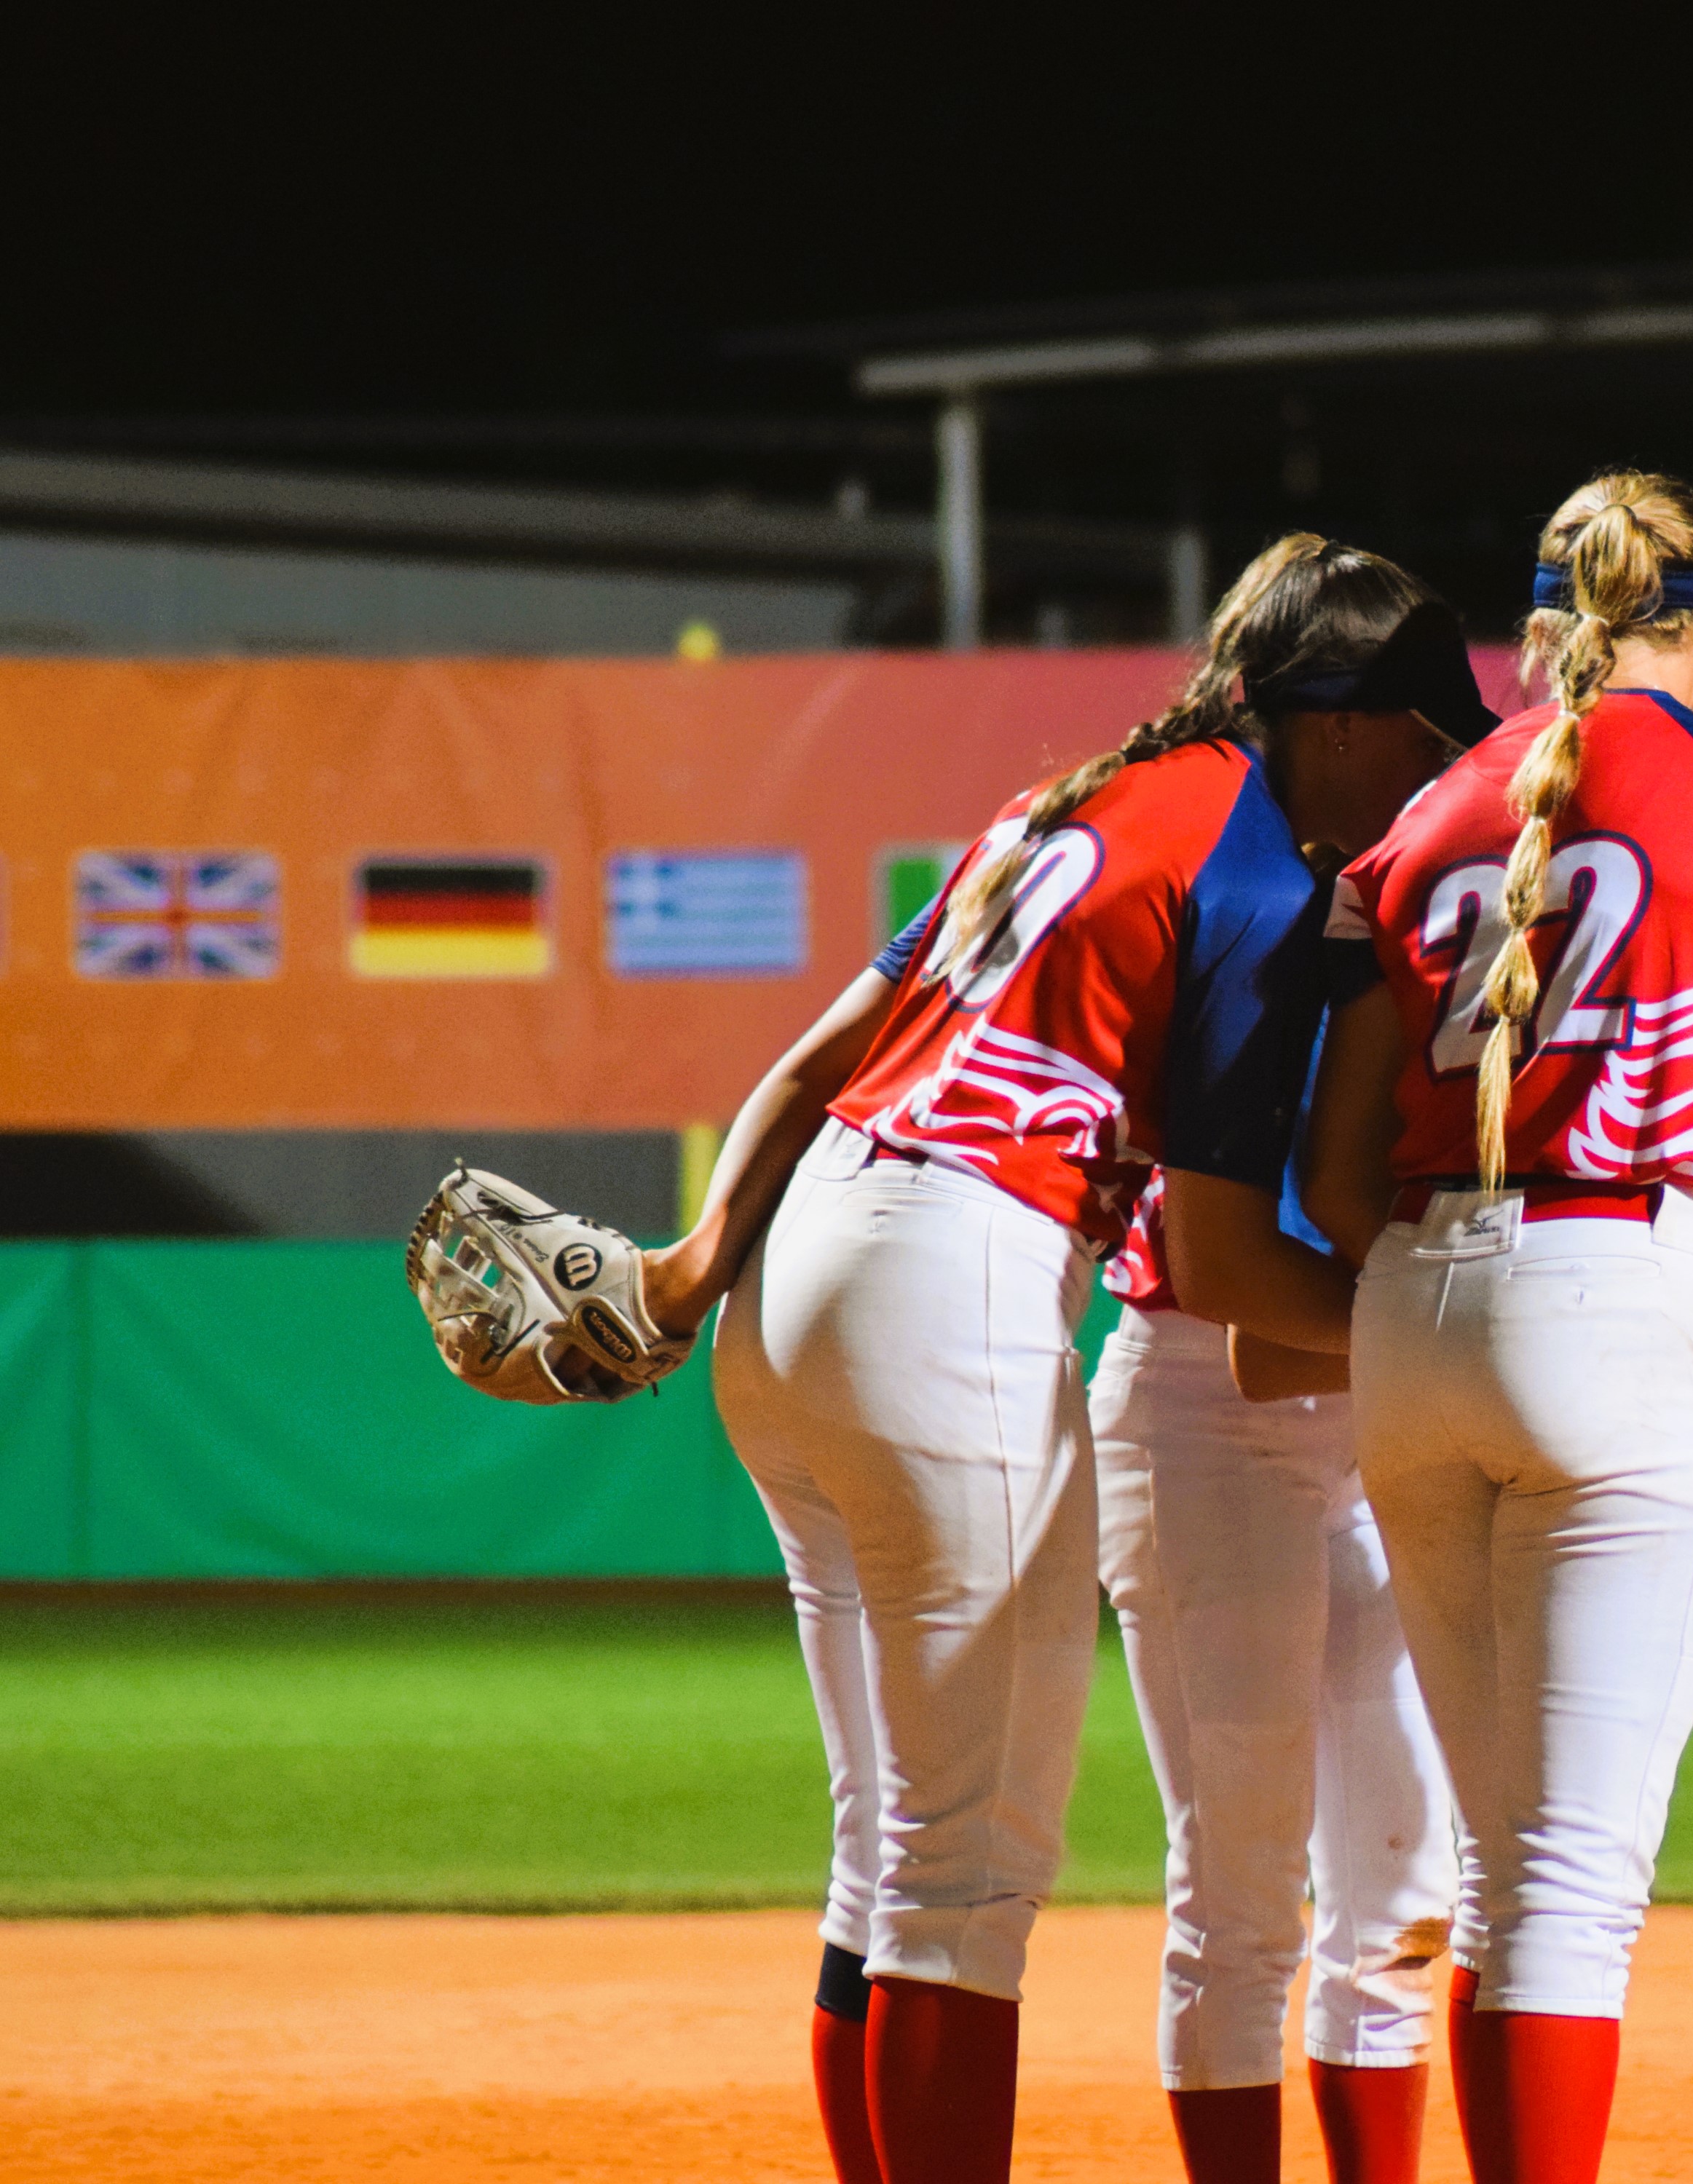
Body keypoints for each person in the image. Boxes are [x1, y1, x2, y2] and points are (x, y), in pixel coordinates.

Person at [634, 534, 1492, 2184]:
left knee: (888, 1848)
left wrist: (692, 1267)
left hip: (802, 1269)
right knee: (965, 1878)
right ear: (1330, 716)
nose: (1430, 771)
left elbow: (822, 1061)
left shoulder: (1068, 807)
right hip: (952, 1277)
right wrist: (1456, 1326)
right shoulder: (1254, 861)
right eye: (1414, 731)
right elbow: (1236, 1271)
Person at [1299, 472, 1693, 2184]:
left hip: (1414, 1313)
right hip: (1633, 1274)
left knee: (1500, 1872)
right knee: (1571, 1883)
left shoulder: (1427, 812)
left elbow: (1334, 1181)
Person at [1087, 1165, 1459, 2184]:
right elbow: (1238, 1310)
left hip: (1379, 1389)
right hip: (1202, 1401)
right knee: (1239, 1896)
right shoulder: (1236, 1000)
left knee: (1401, 1905)